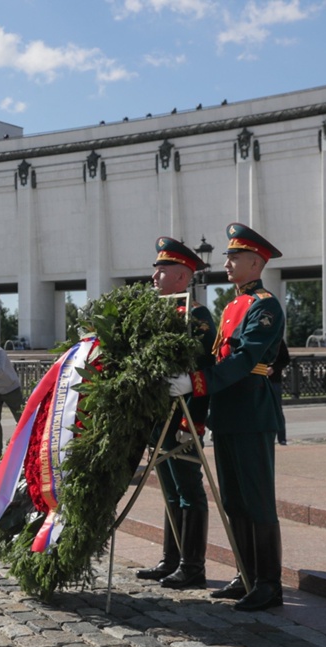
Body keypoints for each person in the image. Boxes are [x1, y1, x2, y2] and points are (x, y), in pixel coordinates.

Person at [168, 223, 285, 612]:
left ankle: (268, 582)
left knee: (257, 500)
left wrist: (197, 383)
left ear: (256, 262)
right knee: (235, 500)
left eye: (235, 257)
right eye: (228, 257)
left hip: (252, 410)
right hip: (230, 413)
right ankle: (246, 574)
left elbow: (245, 358)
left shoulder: (265, 304)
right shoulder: (234, 304)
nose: (228, 263)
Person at [136, 237, 217, 589]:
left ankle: (192, 566)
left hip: (182, 417)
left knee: (188, 490)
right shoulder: (157, 314)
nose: (154, 276)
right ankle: (171, 559)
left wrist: (193, 422)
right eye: (155, 269)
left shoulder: (196, 316)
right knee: (169, 489)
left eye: (162, 269)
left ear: (183, 276)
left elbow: (199, 370)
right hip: (158, 417)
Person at [267, 341, 291, 445]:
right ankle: (267, 437)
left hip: (274, 380)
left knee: (277, 409)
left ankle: (281, 438)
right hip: (258, 380)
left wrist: (273, 368)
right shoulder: (256, 337)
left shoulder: (278, 340)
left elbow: (285, 359)